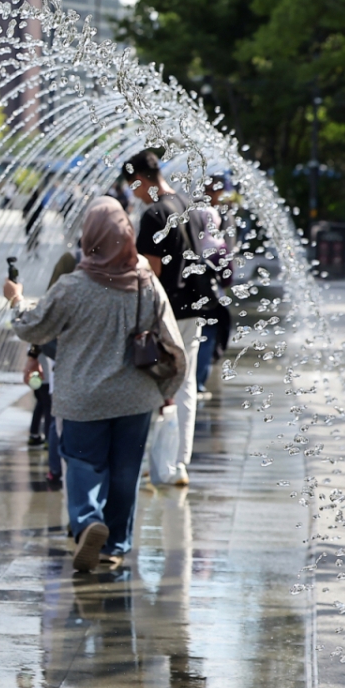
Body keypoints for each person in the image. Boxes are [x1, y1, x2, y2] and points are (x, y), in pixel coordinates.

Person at [4, 196, 185, 573]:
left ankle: (88, 522)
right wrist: (168, 389)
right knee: (125, 472)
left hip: (82, 397)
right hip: (135, 398)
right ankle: (115, 545)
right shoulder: (146, 283)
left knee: (84, 464)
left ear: (90, 238)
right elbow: (172, 342)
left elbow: (31, 326)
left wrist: (16, 300)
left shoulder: (73, 286)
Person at [122, 150, 220, 486]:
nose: (133, 193)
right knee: (187, 382)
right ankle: (178, 463)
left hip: (167, 310)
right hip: (196, 303)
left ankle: (159, 460)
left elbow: (152, 269)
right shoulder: (185, 204)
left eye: (133, 186)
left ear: (140, 179)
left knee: (156, 380)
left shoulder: (153, 213)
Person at [22, 250, 78, 488]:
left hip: (57, 370)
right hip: (69, 373)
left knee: (53, 414)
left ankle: (56, 470)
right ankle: (59, 468)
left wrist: (32, 355)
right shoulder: (74, 297)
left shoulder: (52, 296)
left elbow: (38, 323)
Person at [193, 176, 231, 397]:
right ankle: (198, 382)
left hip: (191, 295)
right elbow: (226, 275)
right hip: (211, 296)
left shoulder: (194, 237)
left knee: (195, 338)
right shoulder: (217, 244)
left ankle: (191, 382)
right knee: (207, 336)